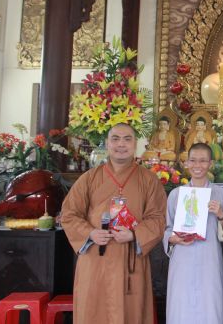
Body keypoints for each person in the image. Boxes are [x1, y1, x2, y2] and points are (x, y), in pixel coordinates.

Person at [61, 123, 167, 324]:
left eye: (127, 139)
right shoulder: (89, 178)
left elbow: (158, 218)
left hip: (130, 261)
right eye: (115, 139)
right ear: (107, 143)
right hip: (95, 259)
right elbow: (69, 214)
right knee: (94, 313)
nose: (121, 144)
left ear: (135, 143)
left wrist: (134, 234)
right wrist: (90, 233)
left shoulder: (149, 180)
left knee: (131, 313)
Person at [164, 143, 223, 324]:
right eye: (193, 160)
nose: (197, 165)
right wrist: (172, 238)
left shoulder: (221, 194)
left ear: (210, 164)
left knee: (210, 306)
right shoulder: (176, 194)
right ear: (186, 163)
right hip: (182, 259)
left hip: (209, 259)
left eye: (203, 161)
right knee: (181, 307)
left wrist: (221, 215)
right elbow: (168, 229)